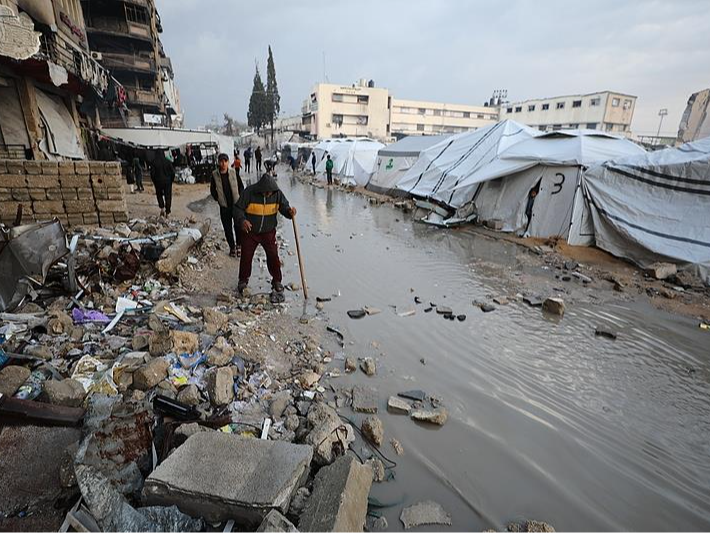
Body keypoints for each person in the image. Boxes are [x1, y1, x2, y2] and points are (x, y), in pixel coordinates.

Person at [234, 169, 296, 303]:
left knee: (273, 256)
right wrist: (242, 220)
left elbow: (284, 207)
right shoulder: (249, 192)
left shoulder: (277, 193)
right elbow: (237, 209)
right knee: (246, 256)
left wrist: (289, 212)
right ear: (260, 189)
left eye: (270, 193)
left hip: (268, 231)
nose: (268, 195)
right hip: (251, 232)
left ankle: (277, 281)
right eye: (266, 192)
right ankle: (243, 281)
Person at [211, 153, 244, 257]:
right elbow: (212, 190)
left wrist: (241, 200)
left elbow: (241, 187)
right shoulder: (215, 175)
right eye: (221, 161)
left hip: (236, 204)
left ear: (228, 162)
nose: (223, 163)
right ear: (218, 162)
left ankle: (239, 245)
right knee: (227, 228)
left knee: (238, 226)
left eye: (225, 161)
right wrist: (218, 199)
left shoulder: (234, 172)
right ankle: (232, 247)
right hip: (224, 206)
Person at [150, 150, 175, 217]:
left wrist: (154, 181)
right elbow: (173, 172)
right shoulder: (168, 161)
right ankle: (168, 212)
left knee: (159, 195)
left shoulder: (154, 162)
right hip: (167, 182)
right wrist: (171, 180)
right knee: (168, 196)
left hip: (158, 182)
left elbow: (152, 174)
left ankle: (162, 209)